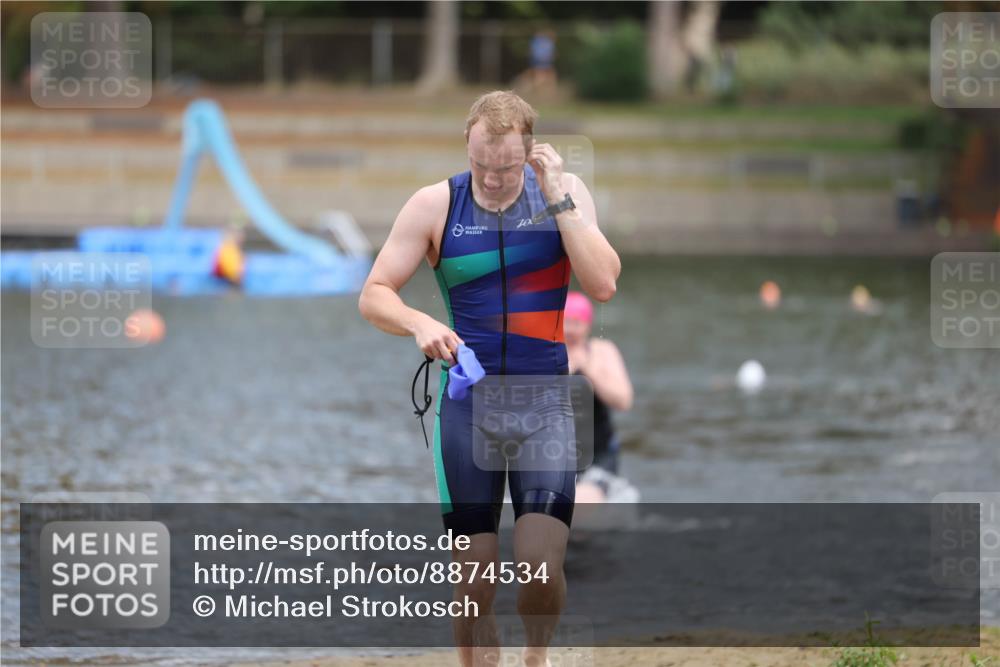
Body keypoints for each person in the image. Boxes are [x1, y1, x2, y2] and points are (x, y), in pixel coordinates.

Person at [359, 91, 620, 667]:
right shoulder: (435, 205)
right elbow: (374, 294)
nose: (493, 179)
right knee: (474, 580)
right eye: (481, 165)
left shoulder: (565, 194)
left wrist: (557, 198)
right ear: (467, 146)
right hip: (468, 409)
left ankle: (535, 657)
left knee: (540, 568)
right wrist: (419, 322)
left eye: (506, 167)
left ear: (530, 152)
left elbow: (603, 283)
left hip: (545, 406)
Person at [563, 292, 635, 504]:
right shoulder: (547, 352)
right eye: (565, 323)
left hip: (597, 459)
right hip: (553, 458)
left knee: (577, 503)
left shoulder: (601, 351)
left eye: (576, 323)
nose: (570, 330)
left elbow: (624, 401)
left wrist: (588, 370)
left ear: (588, 325)